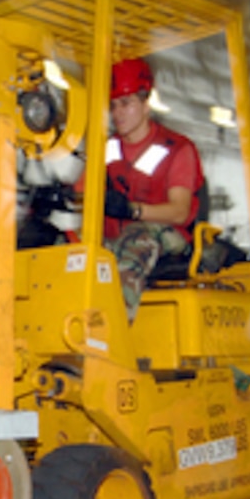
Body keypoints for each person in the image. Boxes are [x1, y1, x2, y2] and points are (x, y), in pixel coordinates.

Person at [104, 58, 205, 321]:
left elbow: (179, 212)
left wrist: (131, 210)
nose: (118, 113)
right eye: (113, 105)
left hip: (168, 235)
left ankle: (113, 333)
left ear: (147, 103)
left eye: (126, 103)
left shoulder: (178, 149)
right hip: (115, 235)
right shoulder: (104, 148)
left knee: (135, 243)